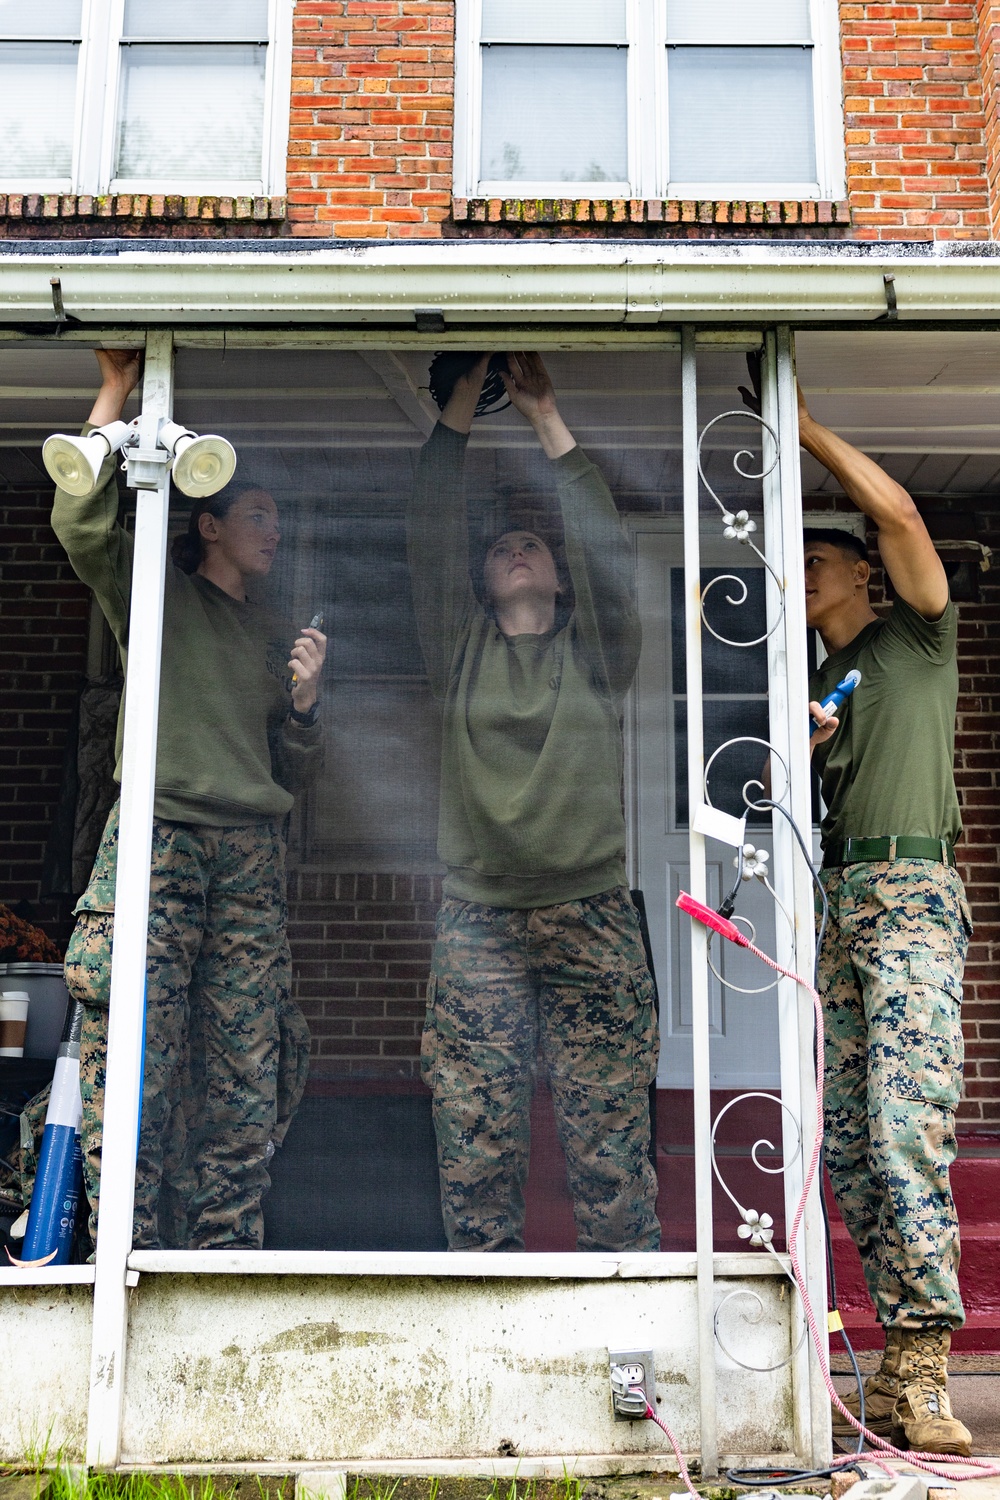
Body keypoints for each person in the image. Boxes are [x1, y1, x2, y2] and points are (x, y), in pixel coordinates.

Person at [52, 349, 325, 1250]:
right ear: (207, 525)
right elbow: (83, 525)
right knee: (134, 1047)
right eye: (257, 514)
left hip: (247, 851)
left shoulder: (275, 635)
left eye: (277, 517)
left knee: (247, 1064)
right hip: (158, 840)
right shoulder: (155, 595)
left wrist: (305, 709)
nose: (272, 531)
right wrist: (114, 394)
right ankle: (122, 1249)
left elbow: (294, 771)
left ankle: (225, 1253)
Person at [407, 351, 660, 1254]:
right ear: (483, 582)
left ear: (558, 579)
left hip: (590, 913)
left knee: (609, 1134)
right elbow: (430, 531)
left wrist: (548, 417)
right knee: (475, 1133)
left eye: (535, 546)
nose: (518, 550)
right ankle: (488, 1321)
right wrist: (464, 408)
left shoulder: (599, 655)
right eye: (502, 548)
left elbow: (607, 554)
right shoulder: (459, 652)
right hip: (478, 919)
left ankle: (625, 1317)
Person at [799, 386, 971, 1455]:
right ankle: (891, 1356)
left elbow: (902, 517)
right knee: (856, 1146)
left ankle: (923, 1371)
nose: (800, 575)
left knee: (907, 1124)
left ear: (859, 575)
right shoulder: (811, 681)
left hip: (911, 897)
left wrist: (804, 429)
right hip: (840, 903)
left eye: (813, 559)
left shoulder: (916, 637)